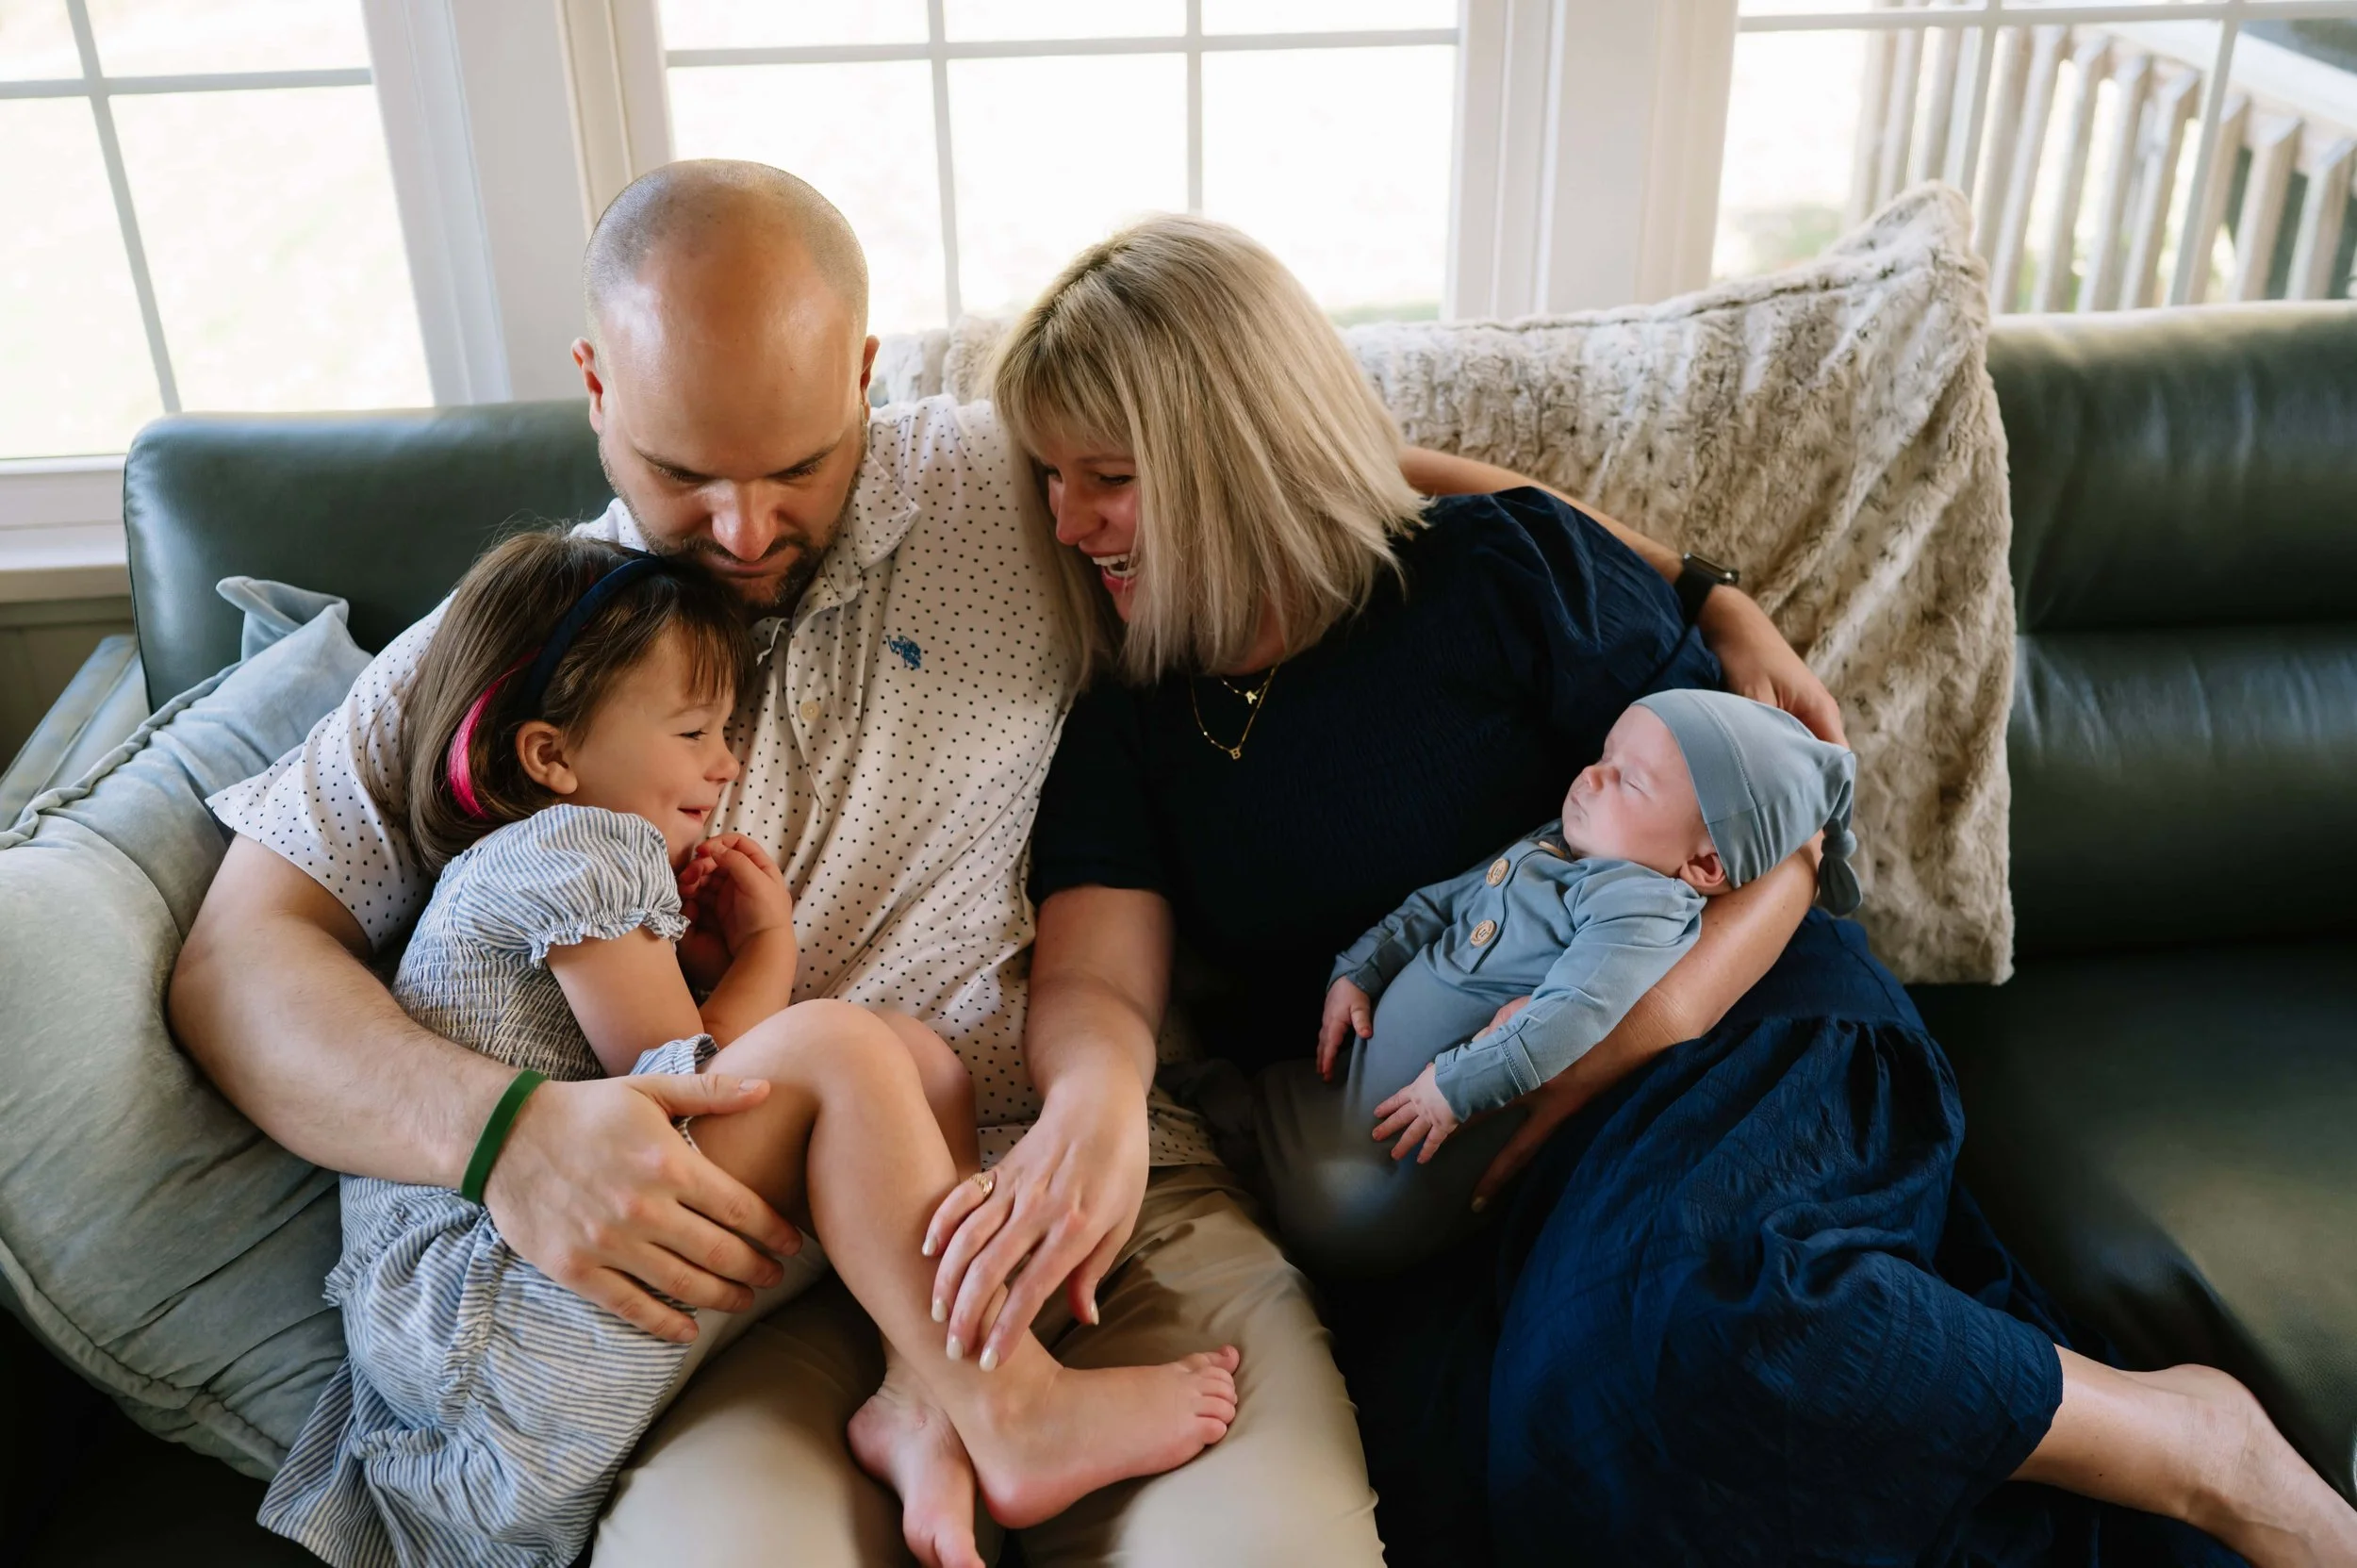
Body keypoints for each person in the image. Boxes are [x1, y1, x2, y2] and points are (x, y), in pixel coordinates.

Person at [173, 161, 1741, 1567]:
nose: (739, 527)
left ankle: (994, 1405)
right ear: (593, 385)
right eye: (681, 472)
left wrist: (1705, 599)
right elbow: (239, 961)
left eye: (795, 462)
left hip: (1083, 1187)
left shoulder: (1007, 487)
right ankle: (938, 1406)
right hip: (747, 1281)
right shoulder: (518, 645)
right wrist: (498, 1132)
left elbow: (1317, 471)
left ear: (866, 372)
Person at [935, 212, 2357, 1568]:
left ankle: (2193, 1439)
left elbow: (1778, 831)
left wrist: (1655, 1015)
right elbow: (1097, 977)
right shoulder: (1139, 724)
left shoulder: (1492, 577)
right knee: (1535, 1458)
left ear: (1224, 451)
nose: (1064, 522)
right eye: (1048, 475)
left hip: (1727, 1037)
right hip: (1470, 1179)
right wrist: (1092, 1101)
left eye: (1105, 475)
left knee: (1688, 1328)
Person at [252, 530, 1236, 1568]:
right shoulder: (576, 847)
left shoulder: (550, 866)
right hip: (494, 1344)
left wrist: (738, 976)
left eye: (726, 729)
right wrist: (767, 951)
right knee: (845, 1045)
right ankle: (1020, 1406)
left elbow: (687, 1081)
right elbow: (687, 1089)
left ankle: (923, 1401)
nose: (726, 764)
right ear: (551, 755)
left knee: (918, 1058)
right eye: (692, 731)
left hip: (528, 1323)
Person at [1263, 689, 1859, 1279]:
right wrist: (1362, 967)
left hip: (1424, 1134)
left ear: (1704, 866)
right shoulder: (1557, 842)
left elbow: (1574, 1014)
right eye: (1604, 756)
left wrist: (1453, 1087)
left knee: (1341, 1213)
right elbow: (1442, 903)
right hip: (1352, 1079)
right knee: (1276, 1113)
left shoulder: (1640, 909)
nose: (1591, 777)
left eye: (1629, 781)